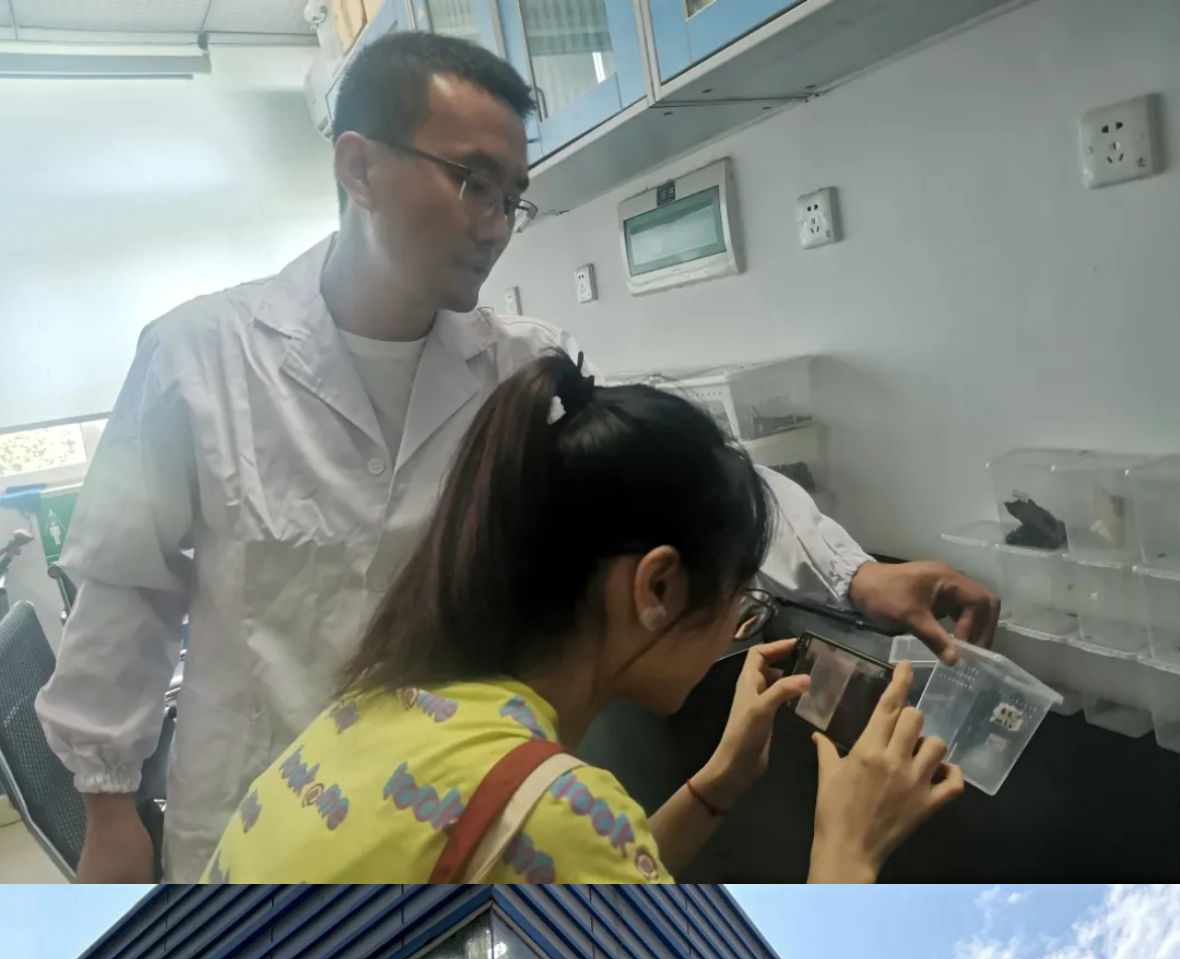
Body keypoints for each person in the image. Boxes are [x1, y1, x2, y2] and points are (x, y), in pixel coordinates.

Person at [35, 28, 999, 884]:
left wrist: (857, 574)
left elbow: (679, 482)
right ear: (359, 168)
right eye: (472, 182)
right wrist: (110, 815)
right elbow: (125, 595)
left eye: (513, 197)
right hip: (257, 814)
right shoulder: (197, 358)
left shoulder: (521, 365)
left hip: (455, 800)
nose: (495, 223)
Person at [205, 359, 964, 888]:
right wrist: (847, 846)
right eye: (737, 598)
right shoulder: (557, 807)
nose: (736, 624)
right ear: (657, 586)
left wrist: (719, 781)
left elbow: (576, 868)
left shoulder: (378, 703)